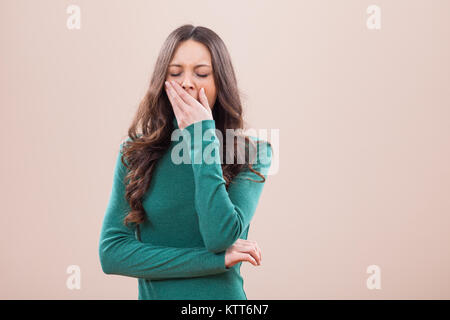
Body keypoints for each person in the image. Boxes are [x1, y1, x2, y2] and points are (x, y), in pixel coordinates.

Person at [98, 24, 273, 300]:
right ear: (162, 81)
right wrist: (212, 261)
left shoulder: (253, 154)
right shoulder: (134, 153)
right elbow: (112, 254)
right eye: (175, 73)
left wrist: (202, 137)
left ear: (220, 82)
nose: (187, 82)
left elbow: (219, 236)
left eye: (201, 73)